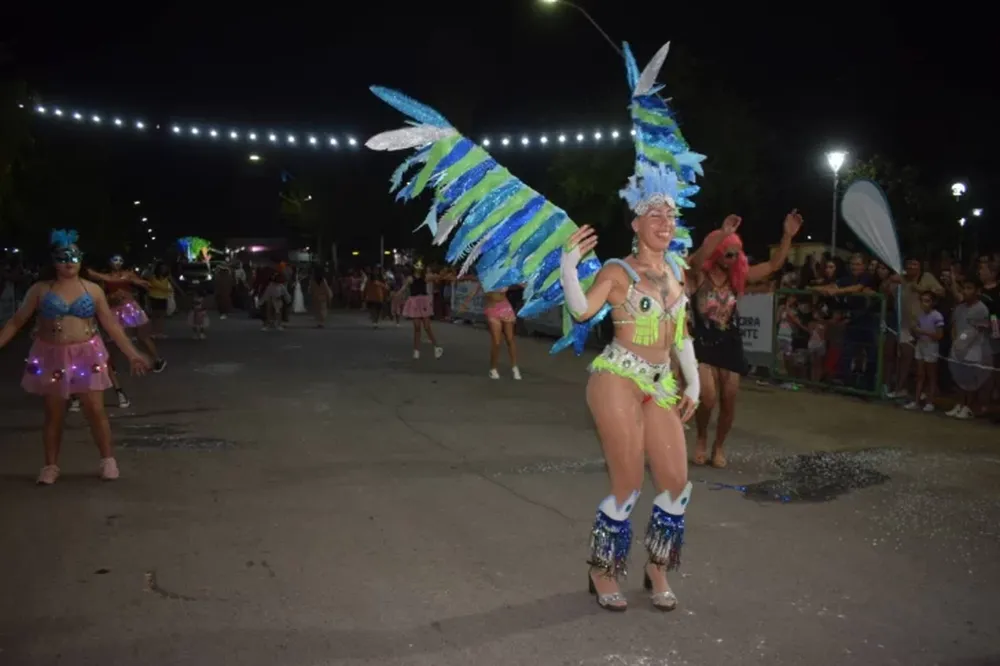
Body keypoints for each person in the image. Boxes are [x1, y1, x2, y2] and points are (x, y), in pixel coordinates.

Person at [366, 40, 706, 612]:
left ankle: (656, 569)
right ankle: (603, 573)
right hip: (619, 377)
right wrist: (571, 265)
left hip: (662, 383)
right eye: (655, 215)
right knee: (627, 484)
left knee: (675, 484)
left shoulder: (676, 272)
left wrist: (692, 381)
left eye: (670, 216)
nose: (665, 223)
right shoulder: (618, 271)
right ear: (635, 221)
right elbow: (580, 311)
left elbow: (682, 332)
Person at [0, 230, 150, 484]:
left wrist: (133, 354)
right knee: (54, 412)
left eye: (74, 256)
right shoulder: (40, 289)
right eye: (62, 257)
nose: (69, 261)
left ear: (81, 259)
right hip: (52, 356)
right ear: (53, 261)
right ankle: (50, 466)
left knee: (94, 409)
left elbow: (112, 326)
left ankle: (108, 460)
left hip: (87, 354)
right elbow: (16, 322)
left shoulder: (92, 290)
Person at [690, 211, 803, 467]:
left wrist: (787, 236)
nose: (733, 259)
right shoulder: (699, 275)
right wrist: (723, 233)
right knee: (707, 396)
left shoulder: (737, 277)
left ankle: (719, 446)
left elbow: (773, 266)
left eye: (736, 254)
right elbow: (697, 260)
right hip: (704, 341)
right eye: (728, 253)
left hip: (730, 340)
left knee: (729, 398)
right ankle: (700, 439)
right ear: (717, 252)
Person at [86, 255, 166, 372]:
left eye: (119, 261)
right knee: (114, 337)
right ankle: (110, 365)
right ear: (109, 263)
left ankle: (157, 360)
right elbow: (103, 288)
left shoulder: (127, 274)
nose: (117, 263)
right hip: (115, 309)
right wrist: (111, 297)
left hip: (130, 308)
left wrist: (139, 283)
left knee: (142, 336)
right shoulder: (107, 277)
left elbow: (136, 281)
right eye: (114, 260)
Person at [946, 279, 991, 419]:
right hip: (958, 347)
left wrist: (963, 343)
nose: (965, 291)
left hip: (973, 348)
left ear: (977, 291)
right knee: (959, 378)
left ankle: (968, 407)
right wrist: (956, 342)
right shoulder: (960, 308)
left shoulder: (981, 309)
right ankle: (959, 404)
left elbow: (976, 331)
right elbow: (954, 326)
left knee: (970, 380)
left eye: (969, 288)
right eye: (964, 288)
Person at [904, 292, 944, 412]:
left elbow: (939, 336)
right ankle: (916, 401)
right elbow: (917, 334)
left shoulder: (937, 316)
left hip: (931, 346)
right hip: (921, 345)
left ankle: (930, 402)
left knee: (931, 375)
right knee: (920, 374)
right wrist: (914, 330)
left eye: (927, 301)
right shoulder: (920, 316)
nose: (924, 304)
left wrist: (921, 331)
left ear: (933, 303)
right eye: (922, 301)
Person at [400, 263, 442, 359]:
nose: (419, 267)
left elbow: (438, 277)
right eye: (417, 265)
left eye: (420, 266)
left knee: (427, 327)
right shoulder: (410, 278)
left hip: (423, 302)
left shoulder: (426, 277)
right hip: (415, 302)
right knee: (417, 327)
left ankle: (436, 347)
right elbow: (404, 288)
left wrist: (443, 276)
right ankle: (416, 350)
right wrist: (397, 295)